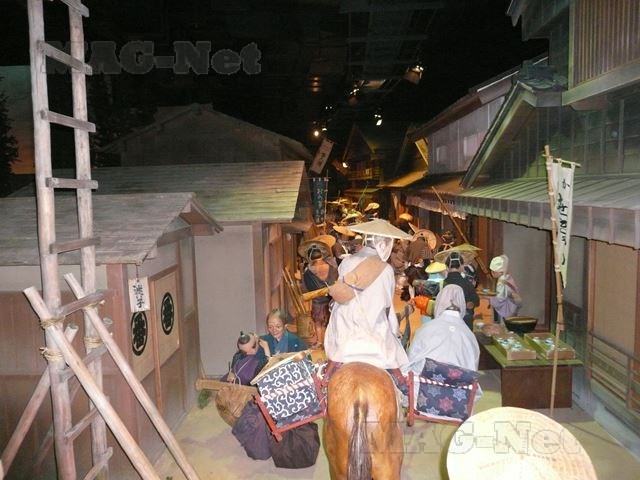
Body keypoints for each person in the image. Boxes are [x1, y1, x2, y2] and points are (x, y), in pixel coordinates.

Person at [324, 219, 412, 370]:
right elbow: (387, 305)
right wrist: (395, 329)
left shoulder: (347, 262)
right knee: (398, 366)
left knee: (330, 364)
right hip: (373, 329)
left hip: (344, 326)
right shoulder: (386, 269)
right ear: (384, 245)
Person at [404, 284, 480, 376]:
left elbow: (411, 359)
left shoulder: (426, 329)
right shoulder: (469, 335)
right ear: (462, 303)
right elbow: (473, 369)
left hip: (424, 381)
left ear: (439, 302)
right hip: (458, 384)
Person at [300, 239, 338, 347]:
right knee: (330, 321)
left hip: (317, 300)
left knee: (318, 323)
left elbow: (306, 288)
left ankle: (320, 342)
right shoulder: (331, 267)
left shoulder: (309, 271)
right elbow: (336, 280)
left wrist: (302, 272)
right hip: (331, 299)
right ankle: (330, 342)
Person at [442, 251, 479, 330]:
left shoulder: (442, 284)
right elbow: (476, 301)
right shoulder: (467, 283)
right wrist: (470, 304)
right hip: (465, 321)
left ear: (446, 267)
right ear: (462, 267)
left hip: (447, 321)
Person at [488, 254, 522, 324]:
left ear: (497, 272)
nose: (491, 273)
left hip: (506, 309)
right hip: (513, 307)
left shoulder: (501, 282)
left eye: (493, 271)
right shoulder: (508, 277)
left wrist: (489, 298)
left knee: (504, 327)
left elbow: (500, 299)